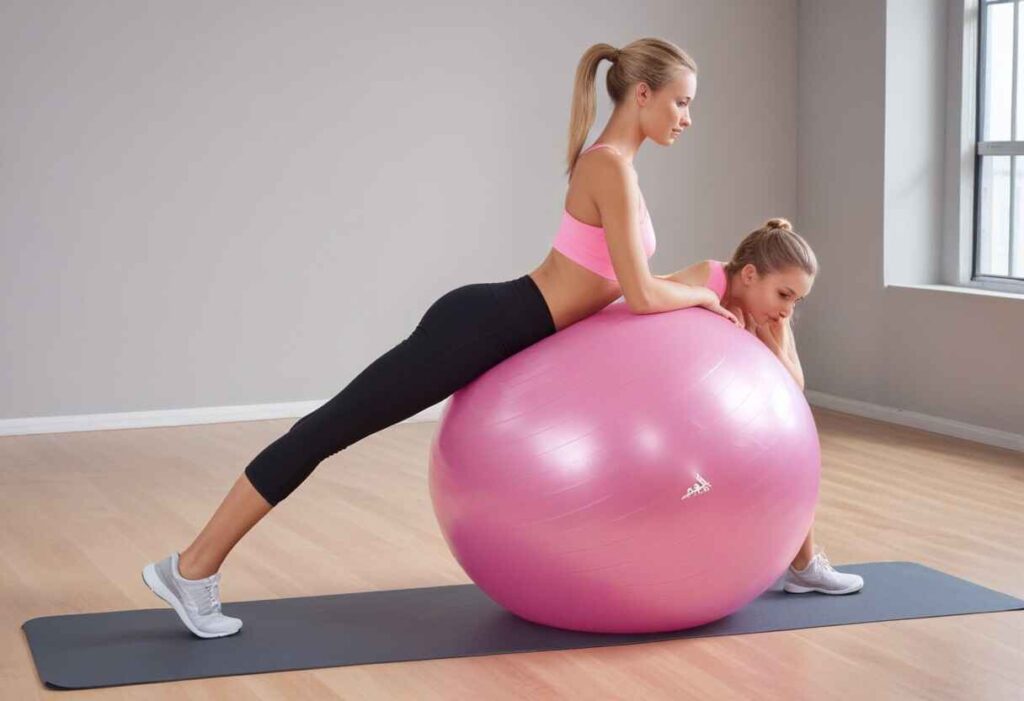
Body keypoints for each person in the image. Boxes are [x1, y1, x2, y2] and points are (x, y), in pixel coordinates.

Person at [142, 37, 859, 640]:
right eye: (680, 101)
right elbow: (641, 294)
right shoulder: (607, 166)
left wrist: (732, 295)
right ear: (639, 95)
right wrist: (706, 292)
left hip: (508, 326)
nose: (688, 117)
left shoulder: (622, 167)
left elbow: (621, 283)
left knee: (329, 428)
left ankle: (801, 564)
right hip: (485, 325)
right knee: (328, 429)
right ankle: (192, 567)